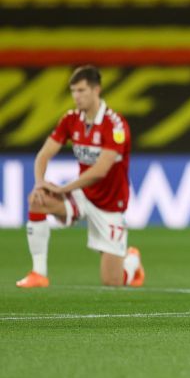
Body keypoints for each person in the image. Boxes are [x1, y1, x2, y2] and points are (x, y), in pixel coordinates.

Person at [16, 65, 144, 288]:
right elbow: (44, 154)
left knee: (112, 281)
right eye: (73, 91)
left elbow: (101, 170)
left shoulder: (115, 125)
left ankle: (131, 262)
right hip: (83, 194)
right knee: (37, 200)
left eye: (81, 90)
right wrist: (39, 184)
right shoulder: (70, 119)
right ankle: (39, 274)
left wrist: (64, 188)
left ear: (96, 90)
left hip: (110, 204)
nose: (76, 96)